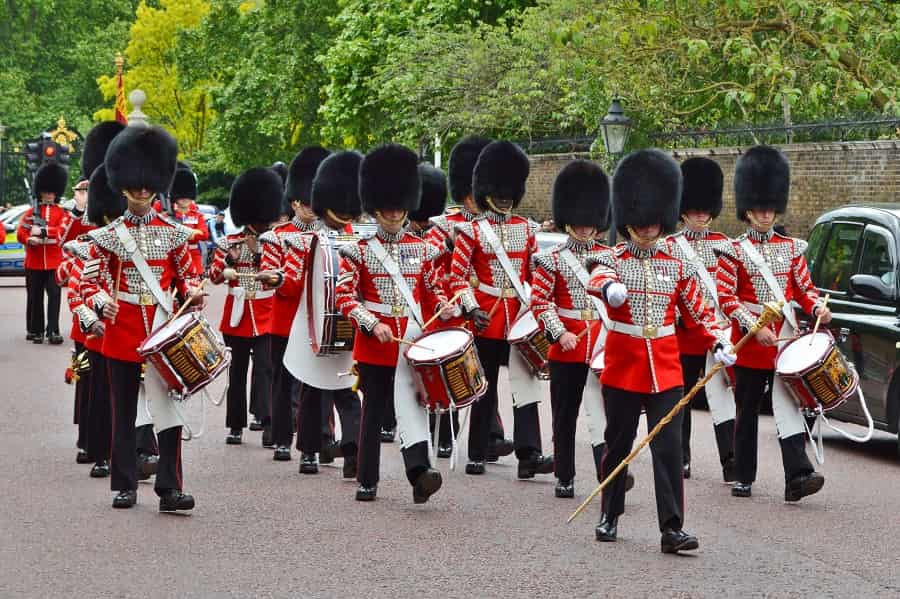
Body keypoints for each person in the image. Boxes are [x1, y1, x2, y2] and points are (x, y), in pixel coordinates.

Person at [587, 149, 734, 553]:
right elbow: (597, 275)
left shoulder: (677, 264)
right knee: (618, 444)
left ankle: (671, 528)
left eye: (654, 223)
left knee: (668, 447)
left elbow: (700, 309)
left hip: (665, 367)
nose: (648, 230)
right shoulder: (611, 257)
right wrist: (608, 289)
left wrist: (719, 338)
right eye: (641, 223)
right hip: (623, 363)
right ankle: (609, 514)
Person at [78, 125, 204, 510]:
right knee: (123, 410)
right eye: (135, 186)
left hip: (163, 327)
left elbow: (188, 277)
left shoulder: (174, 233)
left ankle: (169, 487)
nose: (142, 191)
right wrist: (102, 302)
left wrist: (194, 293)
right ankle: (125, 484)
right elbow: (89, 283)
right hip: (123, 328)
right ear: (123, 185)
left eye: (147, 185)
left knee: (170, 410)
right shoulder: (109, 235)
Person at [335, 144, 451, 503]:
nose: (395, 213)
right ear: (376, 208)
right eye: (388, 208)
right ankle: (367, 480)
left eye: (400, 207)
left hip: (412, 339)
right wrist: (371, 324)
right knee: (373, 414)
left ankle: (419, 474)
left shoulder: (424, 248)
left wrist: (444, 307)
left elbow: (431, 291)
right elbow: (344, 298)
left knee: (414, 405)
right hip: (376, 343)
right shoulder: (359, 249)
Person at [715, 145, 830, 501]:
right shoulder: (732, 251)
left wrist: (818, 309)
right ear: (747, 211)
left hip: (783, 338)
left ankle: (797, 477)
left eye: (770, 208)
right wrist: (754, 327)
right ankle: (744, 476)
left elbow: (804, 288)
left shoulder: (791, 247)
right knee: (747, 410)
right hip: (750, 342)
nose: (766, 214)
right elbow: (727, 299)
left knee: (788, 406)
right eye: (759, 209)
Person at [449, 140, 552, 479]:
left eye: (511, 192)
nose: (506, 199)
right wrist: (471, 306)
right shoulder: (471, 231)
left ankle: (530, 453)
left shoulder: (526, 228)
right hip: (487, 316)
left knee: (526, 385)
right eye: (500, 192)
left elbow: (536, 274)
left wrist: (539, 309)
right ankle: (477, 451)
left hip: (519, 316)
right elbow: (457, 277)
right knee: (484, 385)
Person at [531, 159, 621, 498]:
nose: (584, 229)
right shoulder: (551, 259)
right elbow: (540, 302)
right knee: (565, 416)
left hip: (602, 344)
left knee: (604, 414)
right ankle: (564, 475)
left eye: (589, 224)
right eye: (578, 223)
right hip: (566, 345)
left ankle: (608, 473)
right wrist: (559, 332)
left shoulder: (611, 258)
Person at [274, 149, 363, 476]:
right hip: (313, 319)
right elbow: (294, 281)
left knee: (347, 387)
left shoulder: (357, 239)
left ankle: (353, 449)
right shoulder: (306, 240)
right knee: (312, 388)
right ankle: (310, 450)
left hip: (345, 320)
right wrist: (280, 279)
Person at [426, 136, 513, 461]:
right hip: (453, 309)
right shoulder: (445, 224)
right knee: (455, 376)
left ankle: (491, 436)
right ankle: (448, 434)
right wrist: (446, 247)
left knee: (484, 376)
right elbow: (430, 264)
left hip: (485, 311)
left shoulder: (497, 224)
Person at [665, 157, 737, 481]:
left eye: (705, 211)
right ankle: (681, 457)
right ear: (683, 211)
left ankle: (731, 460)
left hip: (719, 332)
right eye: (695, 210)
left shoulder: (724, 244)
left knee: (722, 396)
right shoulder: (669, 246)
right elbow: (668, 290)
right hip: (686, 334)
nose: (701, 216)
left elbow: (731, 286)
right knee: (683, 398)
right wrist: (683, 316)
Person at [208, 168, 282, 447]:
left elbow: (276, 275)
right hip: (237, 315)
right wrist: (229, 258)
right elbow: (214, 277)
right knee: (236, 372)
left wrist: (261, 253)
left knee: (265, 368)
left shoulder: (273, 242)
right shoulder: (229, 242)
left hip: (265, 313)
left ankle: (265, 419)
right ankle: (235, 425)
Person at [18, 162, 71, 345]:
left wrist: (43, 232)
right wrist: (28, 239)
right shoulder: (31, 212)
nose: (49, 195)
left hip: (54, 262)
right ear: (40, 192)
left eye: (51, 192)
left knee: (55, 296)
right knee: (35, 297)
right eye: (46, 192)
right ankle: (37, 330)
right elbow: (20, 233)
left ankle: (53, 330)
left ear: (56, 193)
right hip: (34, 261)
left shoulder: (62, 213)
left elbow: (63, 231)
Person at [169, 164, 209, 275]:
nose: (185, 199)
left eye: (188, 196)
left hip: (193, 258)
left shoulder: (197, 215)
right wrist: (193, 233)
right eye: (181, 197)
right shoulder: (168, 213)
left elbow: (204, 234)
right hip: (173, 259)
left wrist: (182, 232)